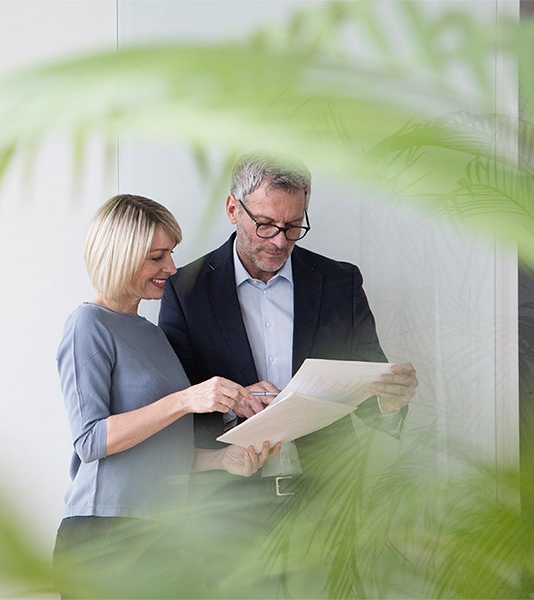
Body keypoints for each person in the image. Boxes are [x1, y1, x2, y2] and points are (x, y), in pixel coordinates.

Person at [158, 154, 419, 594]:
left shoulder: (340, 282)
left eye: (293, 226)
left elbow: (371, 390)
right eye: (265, 224)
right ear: (232, 209)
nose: (279, 241)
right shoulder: (184, 289)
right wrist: (233, 403)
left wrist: (391, 404)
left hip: (326, 505)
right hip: (225, 510)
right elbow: (176, 405)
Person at [53, 194, 278, 599]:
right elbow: (90, 442)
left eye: (170, 254)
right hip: (108, 535)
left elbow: (155, 452)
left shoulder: (152, 333)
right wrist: (186, 399)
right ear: (120, 255)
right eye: (157, 257)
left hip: (166, 531)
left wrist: (221, 461)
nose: (171, 268)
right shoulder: (88, 325)